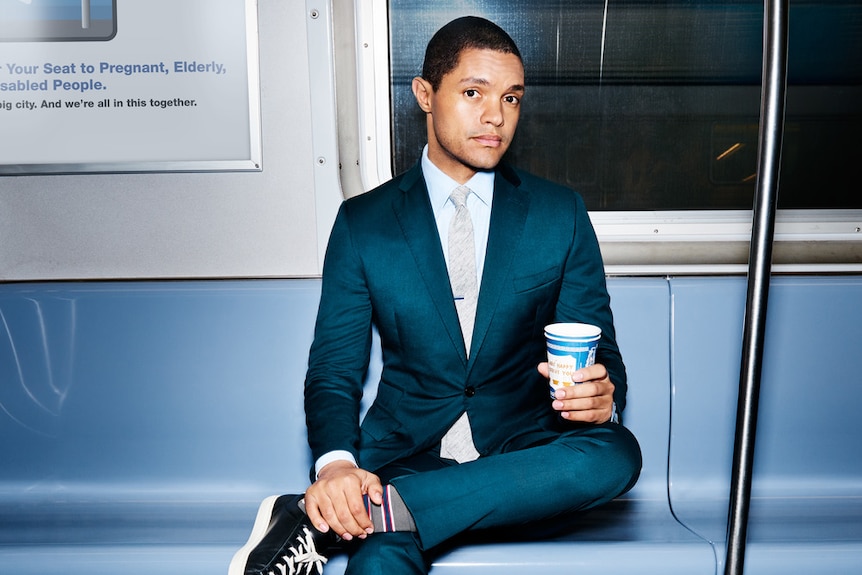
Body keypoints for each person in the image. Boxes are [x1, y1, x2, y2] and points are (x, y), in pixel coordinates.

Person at [230, 15, 641, 575]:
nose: (496, 116)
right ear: (426, 94)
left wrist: (602, 396)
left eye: (512, 98)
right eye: (473, 93)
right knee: (378, 565)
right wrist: (334, 469)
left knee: (616, 453)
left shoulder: (558, 215)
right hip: (405, 457)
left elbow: (600, 351)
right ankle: (390, 509)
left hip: (522, 463)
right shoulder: (363, 223)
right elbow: (333, 370)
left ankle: (362, 516)